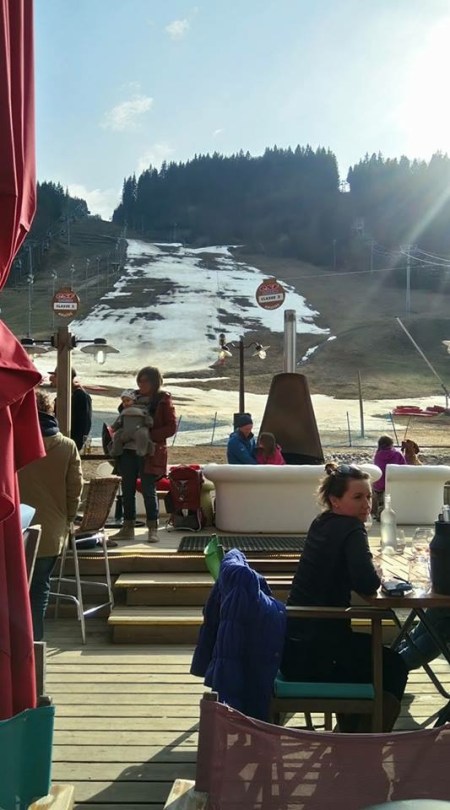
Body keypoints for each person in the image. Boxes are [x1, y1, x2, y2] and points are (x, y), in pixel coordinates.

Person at [281, 462, 408, 732]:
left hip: (293, 645)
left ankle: (351, 737)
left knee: (373, 661)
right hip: (318, 656)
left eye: (369, 496)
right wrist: (374, 570)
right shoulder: (351, 528)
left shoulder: (322, 523)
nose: (367, 505)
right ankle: (363, 744)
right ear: (335, 500)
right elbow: (367, 583)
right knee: (394, 666)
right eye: (358, 497)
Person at [18, 389, 83, 641]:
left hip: (13, 527)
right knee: (39, 589)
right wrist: (68, 520)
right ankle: (35, 645)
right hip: (50, 530)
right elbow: (74, 490)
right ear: (50, 411)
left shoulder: (11, 443)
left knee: (11, 591)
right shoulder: (67, 446)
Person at [110, 366, 177, 543]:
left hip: (149, 452)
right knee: (127, 490)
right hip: (127, 451)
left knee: (148, 490)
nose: (141, 384)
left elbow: (171, 427)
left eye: (145, 380)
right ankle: (128, 528)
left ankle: (152, 529)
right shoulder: (130, 398)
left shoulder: (163, 400)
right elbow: (121, 419)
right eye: (139, 380)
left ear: (155, 382)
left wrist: (148, 436)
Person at [50, 367, 92, 451]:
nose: (52, 379)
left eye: (55, 376)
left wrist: (76, 444)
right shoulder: (65, 396)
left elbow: (84, 423)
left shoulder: (80, 396)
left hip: (70, 443)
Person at [109, 389, 154, 458]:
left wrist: (149, 422)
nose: (126, 403)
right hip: (126, 431)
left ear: (134, 401)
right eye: (124, 401)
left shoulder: (142, 410)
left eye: (128, 401)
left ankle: (142, 451)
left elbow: (147, 418)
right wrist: (114, 427)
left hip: (138, 430)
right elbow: (119, 421)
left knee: (144, 434)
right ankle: (117, 450)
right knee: (117, 435)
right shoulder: (124, 412)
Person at [372, 434, 406, 519]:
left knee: (379, 498)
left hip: (379, 484)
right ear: (391, 444)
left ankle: (379, 512)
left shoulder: (377, 455)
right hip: (394, 483)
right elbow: (405, 468)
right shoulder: (397, 454)